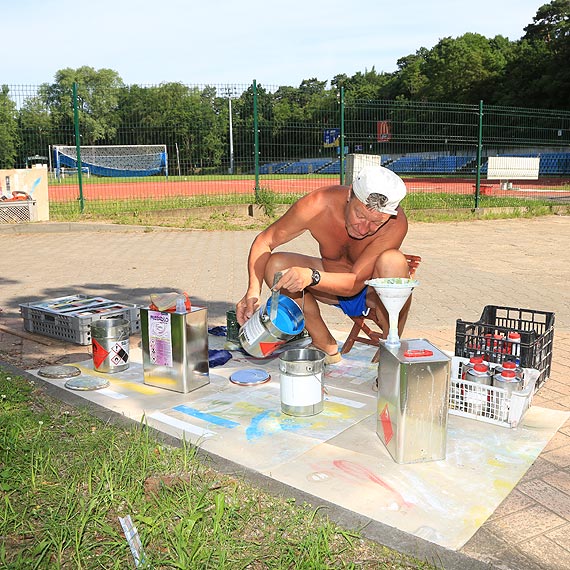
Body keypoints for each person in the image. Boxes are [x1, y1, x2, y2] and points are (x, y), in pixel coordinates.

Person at [235, 165, 412, 363]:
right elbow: (265, 241)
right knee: (276, 265)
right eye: (359, 215)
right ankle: (324, 344)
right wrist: (252, 291)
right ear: (349, 194)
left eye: (376, 223)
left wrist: (311, 276)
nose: (364, 228)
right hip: (331, 286)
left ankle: (391, 345)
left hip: (370, 292)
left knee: (394, 262)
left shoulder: (396, 224)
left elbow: (354, 283)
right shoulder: (318, 204)